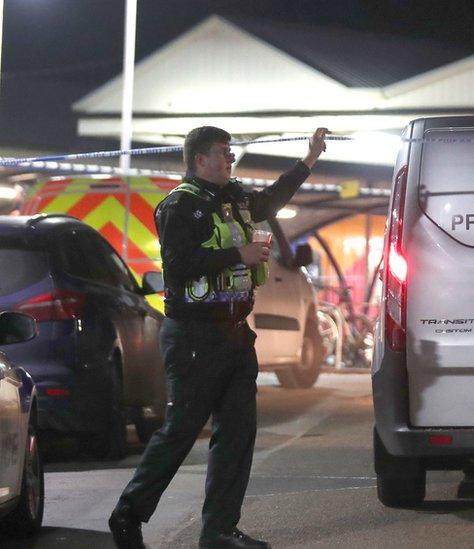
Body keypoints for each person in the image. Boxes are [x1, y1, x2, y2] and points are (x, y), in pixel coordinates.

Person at [109, 126, 328, 549]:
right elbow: (180, 265)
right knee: (180, 431)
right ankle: (127, 516)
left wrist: (310, 158)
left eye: (232, 154)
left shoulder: (236, 198)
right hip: (195, 335)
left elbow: (272, 199)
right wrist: (237, 255)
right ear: (199, 160)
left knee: (237, 434)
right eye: (224, 154)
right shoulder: (179, 205)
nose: (231, 161)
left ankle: (220, 531)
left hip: (235, 335)